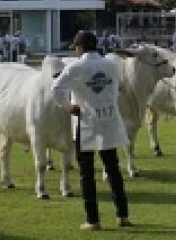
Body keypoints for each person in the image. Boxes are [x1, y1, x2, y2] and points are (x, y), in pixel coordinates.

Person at [52, 30, 131, 231]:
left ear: (79, 48)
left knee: (87, 174)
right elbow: (120, 87)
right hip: (110, 120)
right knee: (113, 169)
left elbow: (56, 89)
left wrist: (69, 107)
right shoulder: (112, 65)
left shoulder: (75, 67)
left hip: (87, 122)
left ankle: (93, 220)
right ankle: (123, 215)